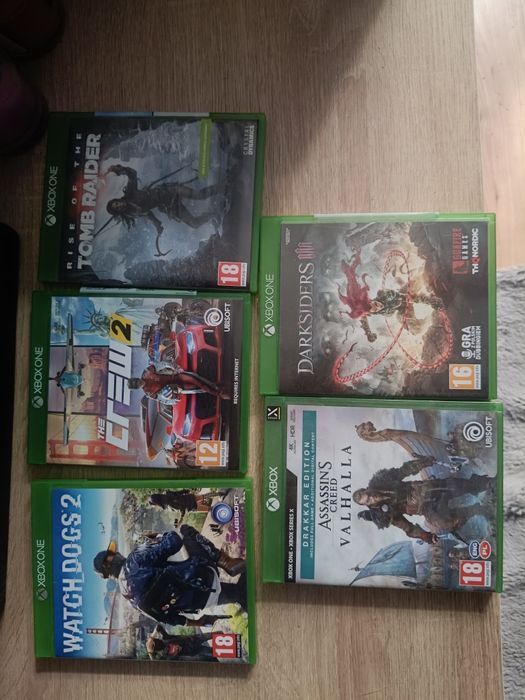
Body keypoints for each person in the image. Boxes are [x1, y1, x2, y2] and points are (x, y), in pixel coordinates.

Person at [93, 525, 246, 626]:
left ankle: (240, 595)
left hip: (202, 603)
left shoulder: (129, 598)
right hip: (204, 577)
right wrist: (158, 536)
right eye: (113, 553)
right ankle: (227, 563)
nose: (117, 553)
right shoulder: (134, 559)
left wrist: (196, 623)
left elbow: (166, 618)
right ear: (110, 559)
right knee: (185, 530)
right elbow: (175, 541)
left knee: (236, 593)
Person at [353, 455, 495, 543]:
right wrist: (424, 536)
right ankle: (476, 509)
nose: (371, 498)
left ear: (367, 489)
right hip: (425, 508)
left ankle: (487, 483)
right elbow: (407, 527)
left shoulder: (382, 481)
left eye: (368, 495)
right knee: (445, 524)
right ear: (367, 505)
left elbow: (404, 470)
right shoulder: (383, 515)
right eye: (368, 501)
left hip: (427, 490)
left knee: (456, 486)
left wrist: (424, 462)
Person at [105, 164, 224, 233]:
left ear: (118, 200)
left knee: (199, 195)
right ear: (119, 212)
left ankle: (223, 186)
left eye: (117, 203)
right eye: (117, 208)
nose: (119, 205)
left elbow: (133, 174)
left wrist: (121, 170)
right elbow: (148, 214)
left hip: (168, 191)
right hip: (169, 206)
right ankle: (213, 213)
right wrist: (157, 225)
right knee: (194, 224)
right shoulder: (133, 212)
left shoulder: (130, 193)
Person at [127, 363, 229, 405]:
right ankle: (219, 393)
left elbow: (162, 364)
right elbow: (162, 400)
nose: (139, 383)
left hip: (176, 376)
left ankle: (218, 388)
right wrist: (174, 400)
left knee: (197, 379)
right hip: (178, 388)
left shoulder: (147, 372)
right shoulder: (148, 393)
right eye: (137, 385)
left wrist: (174, 367)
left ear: (137, 378)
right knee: (199, 388)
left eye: (137, 381)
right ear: (137, 387)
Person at [145, 624, 215, 661]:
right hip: (192, 640)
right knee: (213, 635)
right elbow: (158, 627)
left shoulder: (164, 654)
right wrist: (151, 636)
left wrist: (150, 653)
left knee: (213, 651)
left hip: (192, 651)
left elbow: (154, 661)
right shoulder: (165, 639)